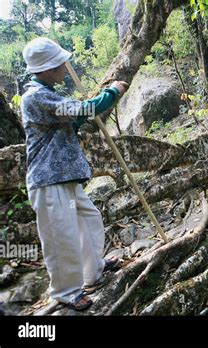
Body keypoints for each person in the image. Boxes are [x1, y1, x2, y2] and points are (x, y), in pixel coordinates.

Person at [20, 37, 129, 311]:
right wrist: (112, 93)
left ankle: (94, 270)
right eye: (59, 64)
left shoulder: (48, 94)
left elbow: (75, 117)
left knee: (89, 220)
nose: (64, 68)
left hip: (64, 177)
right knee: (61, 237)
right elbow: (83, 109)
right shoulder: (36, 96)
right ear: (46, 68)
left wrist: (99, 101)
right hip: (48, 181)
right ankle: (66, 292)